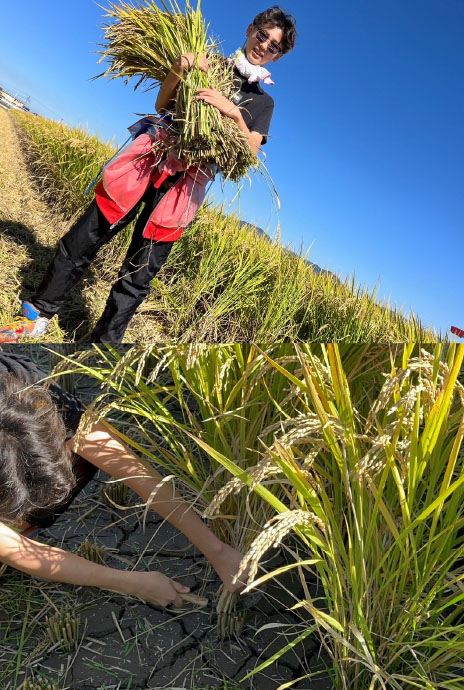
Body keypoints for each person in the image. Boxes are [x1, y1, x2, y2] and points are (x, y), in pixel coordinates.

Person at [0, 7, 297, 344]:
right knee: (87, 234)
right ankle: (39, 313)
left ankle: (101, 349)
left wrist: (231, 113)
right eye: (262, 35)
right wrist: (179, 67)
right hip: (149, 159)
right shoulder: (207, 63)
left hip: (184, 186)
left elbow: (249, 153)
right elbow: (162, 105)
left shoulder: (261, 102)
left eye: (274, 46)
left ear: (278, 56)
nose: (264, 46)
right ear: (250, 29)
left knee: (140, 271)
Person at [0, 350, 247, 606]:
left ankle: (25, 525)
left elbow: (135, 472)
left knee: (82, 462)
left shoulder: (43, 400)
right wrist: (132, 583)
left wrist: (218, 551)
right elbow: (13, 550)